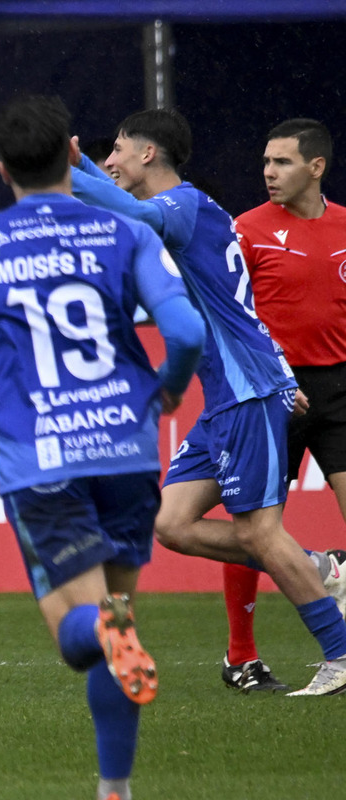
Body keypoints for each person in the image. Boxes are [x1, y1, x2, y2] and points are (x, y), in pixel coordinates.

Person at [0, 95, 204, 800]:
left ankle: (106, 652)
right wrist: (168, 388)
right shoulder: (123, 234)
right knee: (119, 616)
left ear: (2, 167)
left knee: (88, 631)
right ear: (71, 157)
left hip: (41, 458)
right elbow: (188, 333)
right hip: (128, 451)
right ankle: (116, 788)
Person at [71, 108, 346, 696]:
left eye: (118, 150)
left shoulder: (183, 206)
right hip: (226, 396)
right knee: (170, 523)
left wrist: (70, 174)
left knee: (260, 533)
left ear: (149, 155)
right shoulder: (186, 215)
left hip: (246, 393)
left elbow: (137, 214)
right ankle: (321, 567)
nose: (111, 160)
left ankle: (339, 655)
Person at [221, 118, 346, 689]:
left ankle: (328, 573)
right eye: (267, 162)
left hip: (338, 388)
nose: (269, 173)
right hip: (271, 391)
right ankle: (241, 655)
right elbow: (227, 315)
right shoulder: (245, 229)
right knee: (252, 523)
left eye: (283, 162)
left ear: (316, 167)